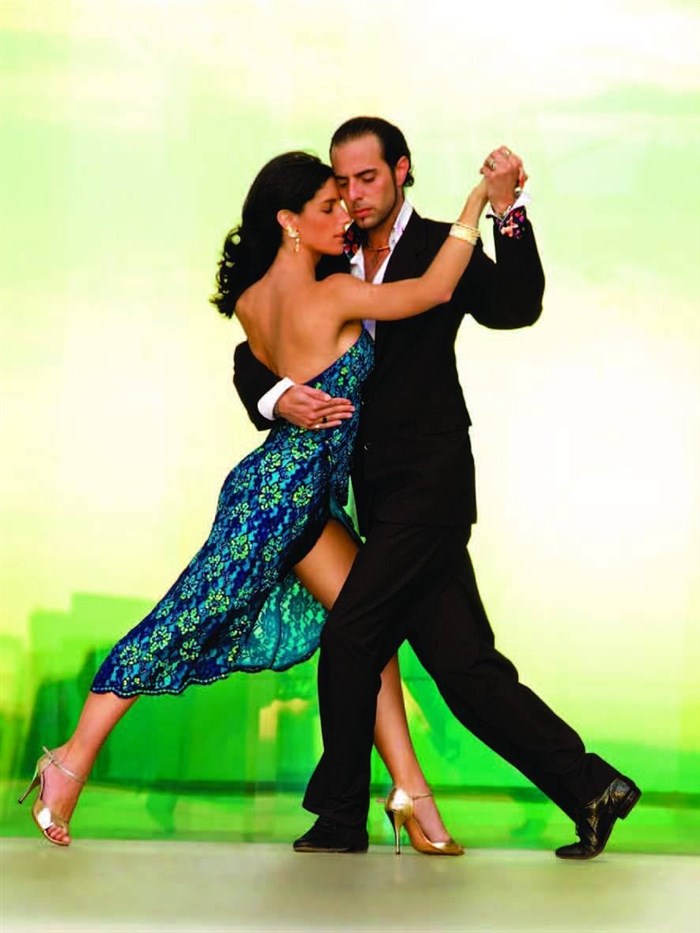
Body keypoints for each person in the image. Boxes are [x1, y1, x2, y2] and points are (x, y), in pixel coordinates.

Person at [18, 150, 489, 852]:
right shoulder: (333, 295)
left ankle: (411, 795)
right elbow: (435, 288)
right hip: (277, 501)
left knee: (367, 629)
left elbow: (268, 366)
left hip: (290, 493)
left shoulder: (251, 301)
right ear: (289, 222)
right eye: (328, 206)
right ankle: (69, 760)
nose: (344, 215)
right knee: (179, 621)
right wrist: (477, 202)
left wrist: (282, 395)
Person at [233, 117, 641, 859]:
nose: (353, 195)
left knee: (351, 637)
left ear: (401, 170)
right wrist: (276, 395)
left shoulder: (437, 248)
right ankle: (592, 788)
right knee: (465, 671)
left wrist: (505, 210)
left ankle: (340, 816)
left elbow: (515, 306)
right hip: (374, 493)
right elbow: (254, 341)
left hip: (431, 482)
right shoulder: (329, 255)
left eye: (367, 178)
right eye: (341, 182)